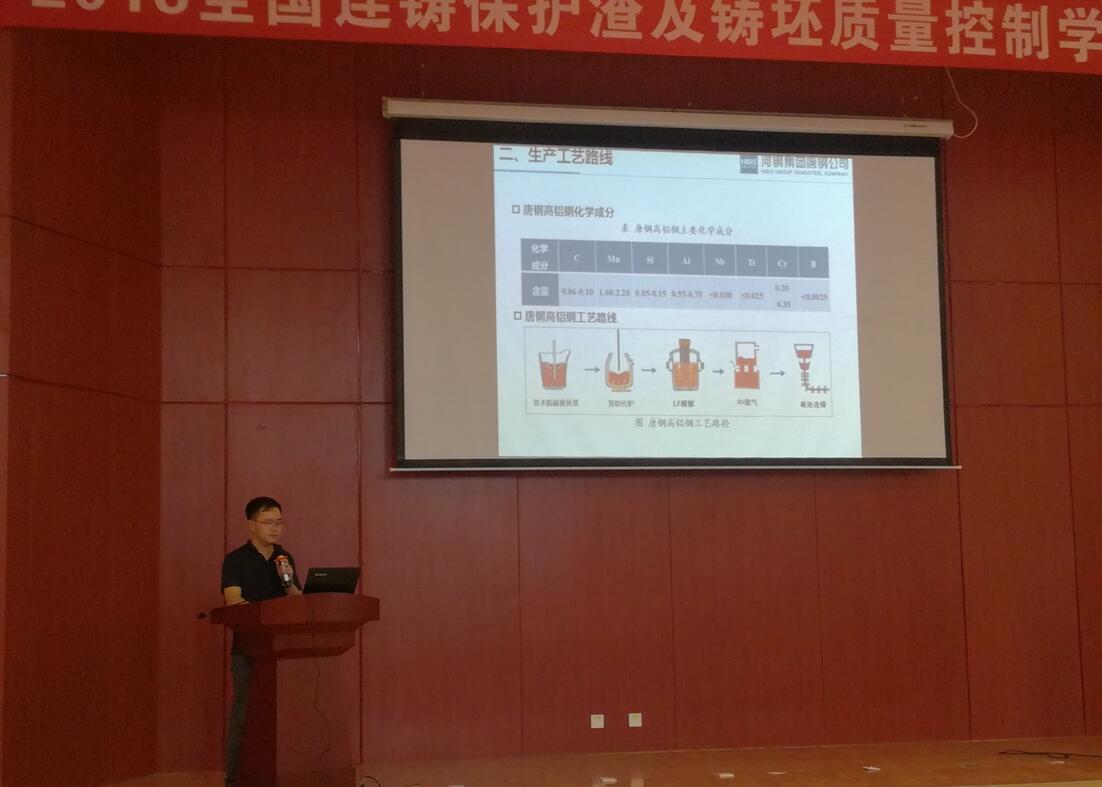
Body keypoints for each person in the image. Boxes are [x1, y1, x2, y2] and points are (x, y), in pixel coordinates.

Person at [220, 496, 302, 787]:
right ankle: (235, 778)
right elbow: (233, 600)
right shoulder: (236, 560)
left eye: (279, 522)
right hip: (249, 649)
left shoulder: (284, 558)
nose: (275, 528)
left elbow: (297, 601)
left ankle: (286, 775)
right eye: (268, 522)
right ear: (251, 525)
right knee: (245, 713)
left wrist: (288, 582)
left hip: (284, 649)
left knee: (287, 714)